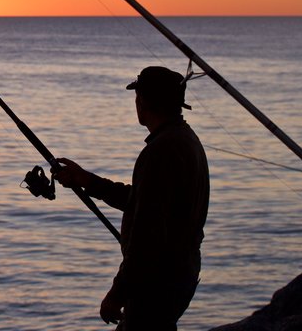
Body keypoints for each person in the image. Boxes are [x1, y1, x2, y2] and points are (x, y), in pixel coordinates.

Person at [55, 66, 210, 330]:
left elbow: (147, 236)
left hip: (158, 282)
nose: (135, 103)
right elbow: (143, 199)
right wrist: (87, 181)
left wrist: (117, 294)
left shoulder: (160, 152)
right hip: (180, 274)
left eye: (137, 97)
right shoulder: (184, 139)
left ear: (145, 101)